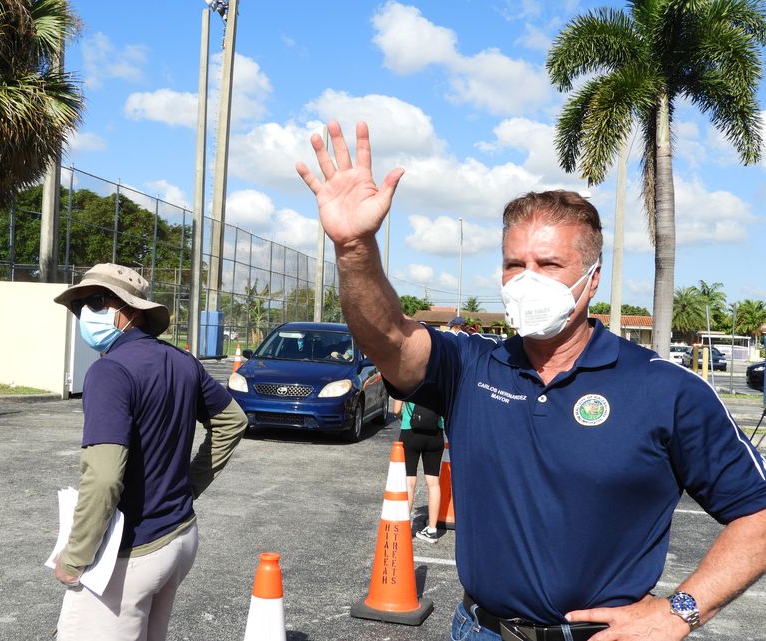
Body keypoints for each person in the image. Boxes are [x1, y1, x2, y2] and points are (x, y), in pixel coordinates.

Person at [297, 121, 766, 641]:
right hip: (480, 630)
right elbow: (389, 337)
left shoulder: (667, 390)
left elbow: (758, 513)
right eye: (514, 264)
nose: (527, 279)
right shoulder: (470, 366)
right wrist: (355, 246)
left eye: (548, 264)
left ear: (591, 280)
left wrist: (680, 611)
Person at [51, 263, 247, 641]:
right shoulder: (182, 361)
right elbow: (233, 421)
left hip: (129, 555)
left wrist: (74, 559)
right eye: (80, 307)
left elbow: (105, 477)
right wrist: (187, 487)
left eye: (96, 301)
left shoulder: (109, 373)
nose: (86, 315)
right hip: (179, 538)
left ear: (132, 310)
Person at [391, 399, 445, 543]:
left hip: (411, 432)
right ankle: (432, 530)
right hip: (435, 433)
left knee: (409, 482)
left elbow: (396, 410)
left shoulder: (408, 379)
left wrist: (403, 418)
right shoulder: (441, 381)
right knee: (433, 482)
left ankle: (403, 529)